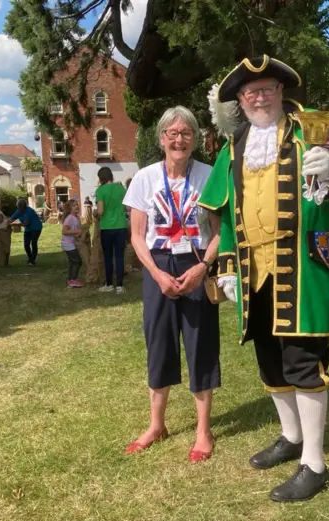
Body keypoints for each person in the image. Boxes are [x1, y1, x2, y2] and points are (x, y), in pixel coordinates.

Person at [198, 55, 329, 501]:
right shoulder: (233, 147)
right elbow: (221, 212)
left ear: (282, 92)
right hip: (252, 272)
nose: (259, 96)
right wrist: (224, 267)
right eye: (249, 91)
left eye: (267, 88)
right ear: (241, 101)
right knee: (269, 360)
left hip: (301, 266)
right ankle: (290, 436)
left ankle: (314, 464)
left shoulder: (318, 133)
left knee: (303, 363)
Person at [124, 106, 222, 463]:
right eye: (173, 133)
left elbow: (220, 232)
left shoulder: (210, 176)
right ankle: (156, 425)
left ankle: (202, 431)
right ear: (162, 138)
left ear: (194, 139)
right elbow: (137, 236)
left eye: (186, 133)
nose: (179, 139)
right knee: (160, 344)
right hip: (159, 266)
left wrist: (203, 268)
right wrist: (156, 273)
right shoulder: (144, 179)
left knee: (201, 346)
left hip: (197, 263)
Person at [95, 167, 127, 293]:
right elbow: (127, 208)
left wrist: (96, 214)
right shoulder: (121, 189)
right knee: (119, 256)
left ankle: (109, 284)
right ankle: (120, 286)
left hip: (107, 227)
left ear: (100, 178)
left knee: (108, 257)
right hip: (121, 226)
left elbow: (101, 211)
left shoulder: (100, 191)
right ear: (111, 176)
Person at [10, 199, 43, 266]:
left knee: (33, 242)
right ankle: (30, 258)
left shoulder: (29, 211)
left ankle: (32, 260)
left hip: (36, 228)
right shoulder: (18, 210)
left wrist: (14, 224)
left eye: (20, 207)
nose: (19, 209)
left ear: (24, 206)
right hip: (28, 229)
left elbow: (26, 223)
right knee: (26, 244)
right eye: (18, 207)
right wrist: (9, 223)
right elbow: (11, 219)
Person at [61, 199, 84, 288]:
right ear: (69, 209)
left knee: (72, 262)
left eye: (77, 205)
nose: (76, 206)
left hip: (71, 243)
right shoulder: (70, 218)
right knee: (78, 261)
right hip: (67, 244)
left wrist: (78, 234)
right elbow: (64, 231)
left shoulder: (77, 218)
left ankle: (70, 279)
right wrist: (76, 231)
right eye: (73, 206)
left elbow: (75, 231)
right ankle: (73, 280)